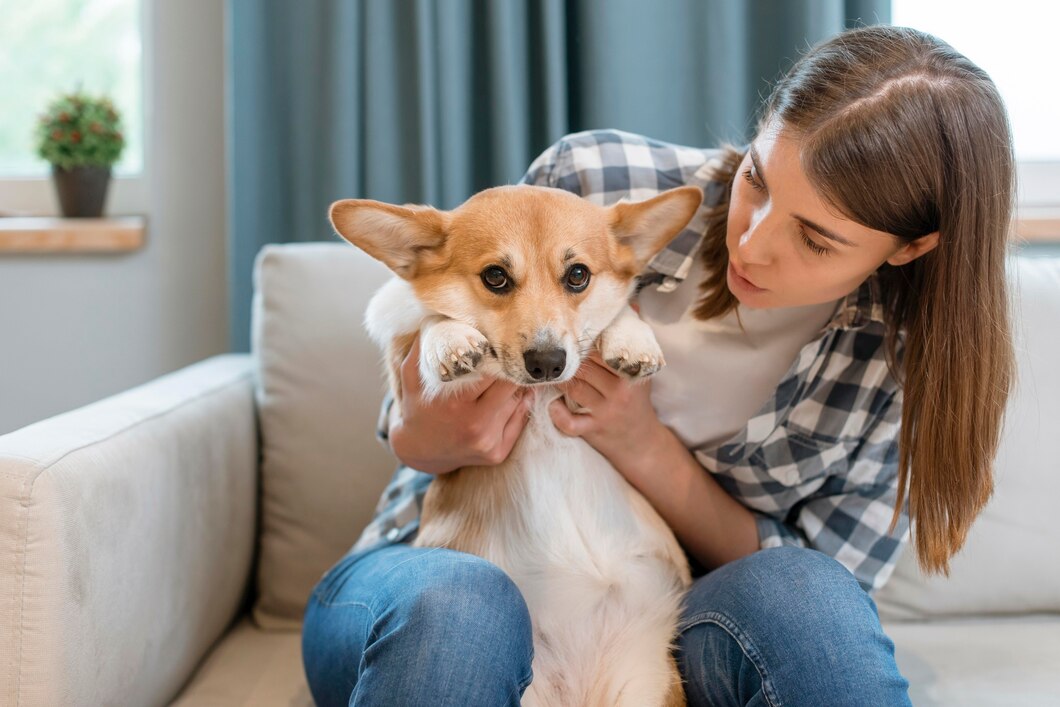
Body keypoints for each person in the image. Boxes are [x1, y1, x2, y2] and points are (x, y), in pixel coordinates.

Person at [301, 24, 1015, 707]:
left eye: (815, 239)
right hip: (431, 571)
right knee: (462, 606)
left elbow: (832, 577)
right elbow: (431, 342)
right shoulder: (594, 181)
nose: (751, 244)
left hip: (655, 604)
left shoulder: (903, 363)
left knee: (810, 595)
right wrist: (425, 431)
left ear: (909, 247)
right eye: (758, 180)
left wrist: (642, 444)